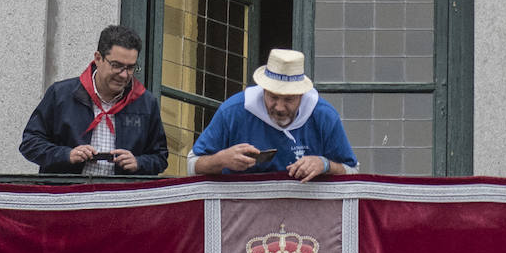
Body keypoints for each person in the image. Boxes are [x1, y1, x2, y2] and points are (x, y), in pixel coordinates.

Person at [188, 48, 358, 182]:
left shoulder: (324, 116)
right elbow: (192, 165)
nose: (279, 107)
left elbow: (353, 171)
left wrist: (325, 164)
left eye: (289, 99)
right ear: (263, 90)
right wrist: (222, 160)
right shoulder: (233, 111)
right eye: (273, 97)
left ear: (302, 95)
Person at [19, 25, 169, 175]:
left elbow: (160, 157)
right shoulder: (61, 94)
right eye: (116, 66)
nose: (124, 75)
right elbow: (30, 143)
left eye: (130, 68)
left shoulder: (146, 103)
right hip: (68, 194)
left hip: (121, 195)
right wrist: (66, 155)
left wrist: (139, 163)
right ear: (98, 58)